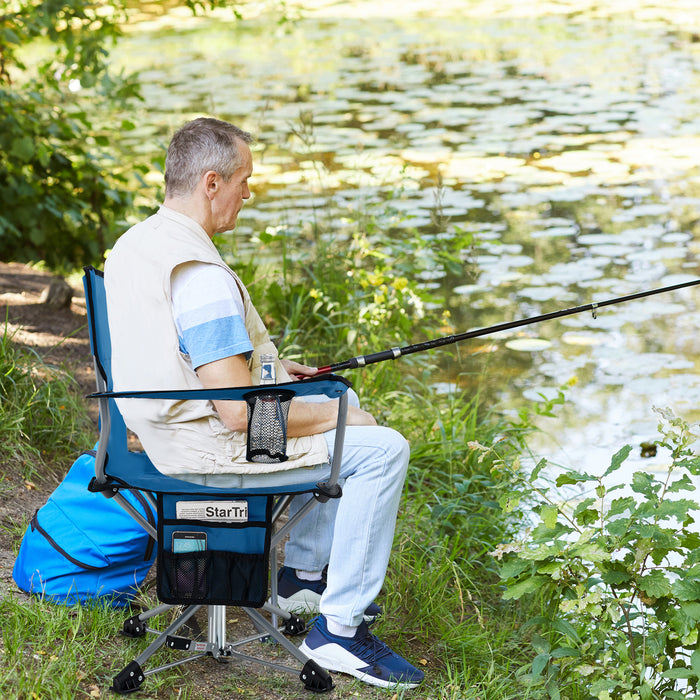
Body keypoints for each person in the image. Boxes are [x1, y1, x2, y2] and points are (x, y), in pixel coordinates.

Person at [104, 117, 424, 690]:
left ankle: (302, 578)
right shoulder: (201, 276)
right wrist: (338, 415)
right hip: (206, 447)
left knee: (333, 399)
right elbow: (238, 415)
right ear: (211, 183)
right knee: (376, 445)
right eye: (244, 181)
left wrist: (270, 371)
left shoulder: (139, 243)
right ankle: (340, 633)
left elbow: (190, 358)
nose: (247, 194)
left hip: (155, 429)